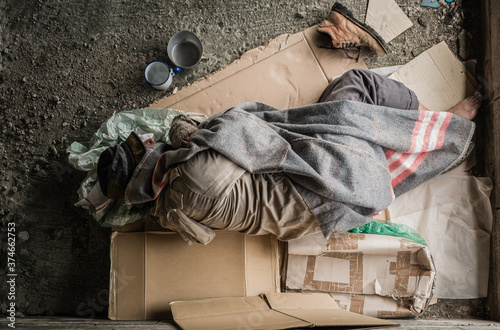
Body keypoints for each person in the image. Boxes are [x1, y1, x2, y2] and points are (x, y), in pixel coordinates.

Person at [143, 69, 480, 245]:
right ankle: (435, 125)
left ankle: (398, 140)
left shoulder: (167, 211)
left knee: (343, 128)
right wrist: (184, 132)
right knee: (355, 86)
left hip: (324, 219)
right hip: (336, 180)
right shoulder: (195, 171)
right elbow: (240, 127)